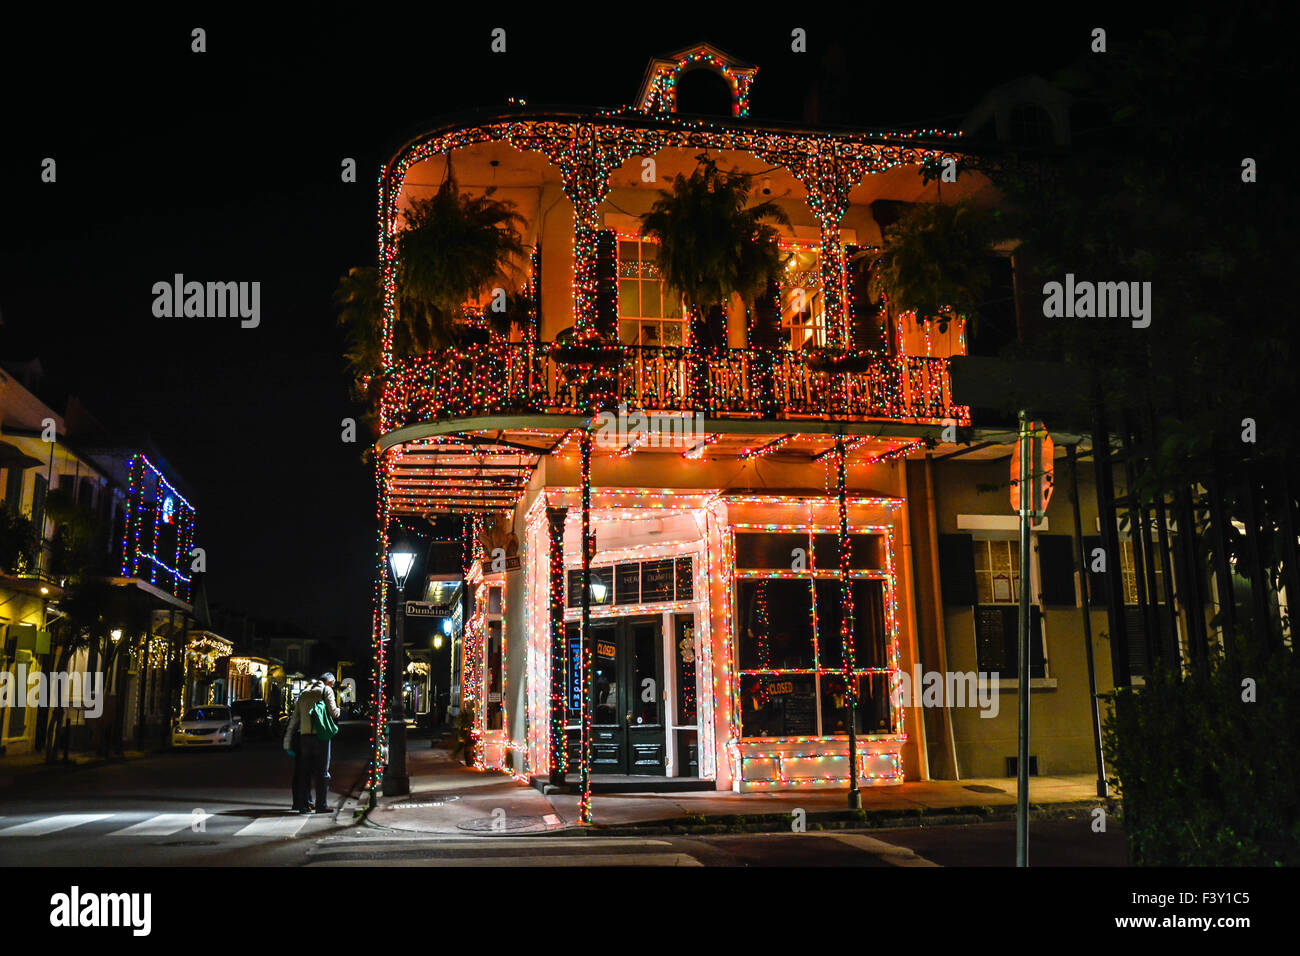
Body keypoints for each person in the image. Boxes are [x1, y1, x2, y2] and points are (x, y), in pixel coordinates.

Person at [284, 672, 341, 814]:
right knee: (322, 772)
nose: (332, 687)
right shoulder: (326, 691)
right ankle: (321, 804)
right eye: (332, 684)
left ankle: (305, 804)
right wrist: (340, 710)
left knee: (305, 772)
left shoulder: (304, 693)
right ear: (329, 682)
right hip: (320, 736)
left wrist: (287, 739)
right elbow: (334, 712)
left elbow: (294, 719)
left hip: (304, 737)